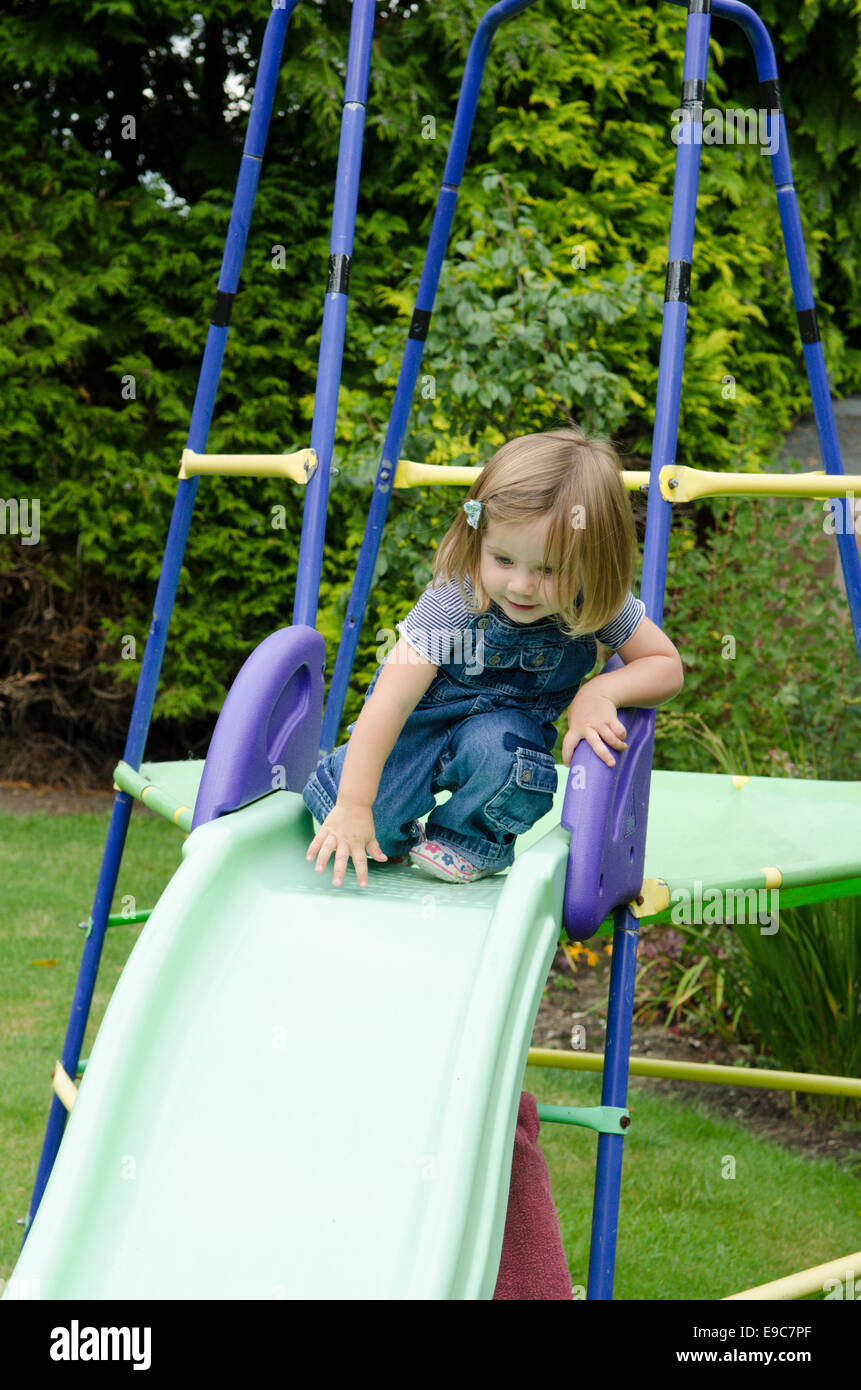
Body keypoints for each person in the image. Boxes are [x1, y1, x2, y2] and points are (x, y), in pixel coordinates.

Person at [303, 426, 684, 887]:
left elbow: (666, 665)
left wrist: (600, 691)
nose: (521, 586)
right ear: (478, 538)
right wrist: (354, 805)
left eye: (548, 569)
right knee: (370, 828)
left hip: (500, 743)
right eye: (503, 560)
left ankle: (467, 840)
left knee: (507, 754)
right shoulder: (456, 600)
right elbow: (389, 703)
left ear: (592, 562)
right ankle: (369, 810)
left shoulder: (596, 600)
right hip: (415, 730)